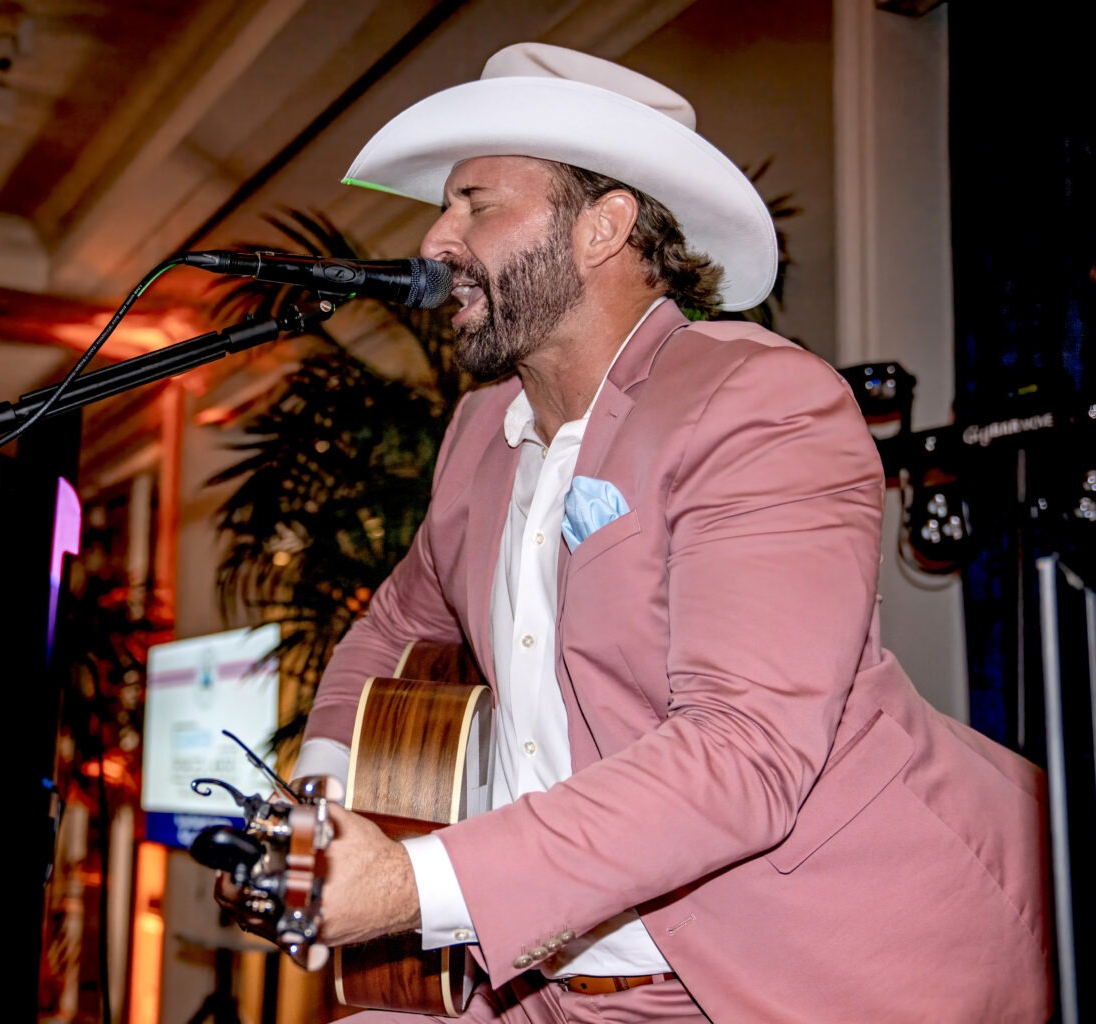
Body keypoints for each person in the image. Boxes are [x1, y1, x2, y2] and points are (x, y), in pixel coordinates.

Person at [278, 43, 1053, 1022]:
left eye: (477, 202)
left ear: (605, 226)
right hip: (550, 981)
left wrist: (411, 884)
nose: (436, 240)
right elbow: (392, 635)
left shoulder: (758, 401)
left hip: (820, 965)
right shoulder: (480, 434)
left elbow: (742, 753)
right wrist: (321, 801)